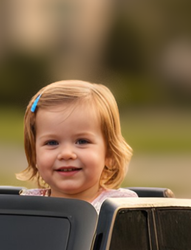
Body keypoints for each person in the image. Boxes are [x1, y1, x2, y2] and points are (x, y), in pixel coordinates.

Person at [17, 80, 137, 208]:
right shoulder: (28, 206)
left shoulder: (118, 206)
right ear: (34, 153)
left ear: (109, 152)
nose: (66, 154)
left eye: (82, 141)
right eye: (52, 142)